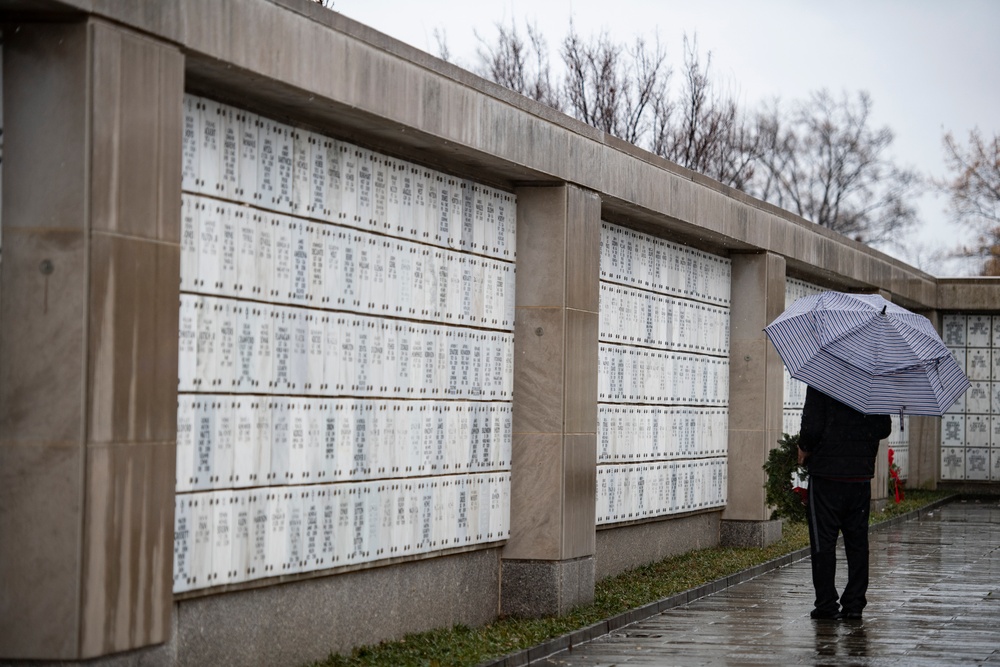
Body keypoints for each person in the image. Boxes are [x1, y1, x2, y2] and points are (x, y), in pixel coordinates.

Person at [798, 385, 892, 620]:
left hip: (826, 475)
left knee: (823, 542)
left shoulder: (821, 379)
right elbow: (883, 427)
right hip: (859, 476)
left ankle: (826, 604)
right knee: (857, 541)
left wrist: (804, 448)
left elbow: (812, 426)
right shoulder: (874, 382)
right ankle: (854, 604)